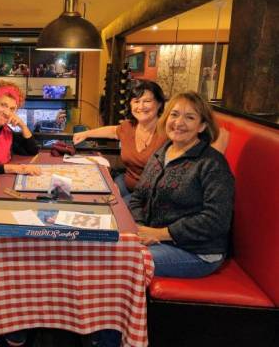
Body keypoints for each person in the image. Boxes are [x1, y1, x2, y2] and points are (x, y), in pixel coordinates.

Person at [130, 91, 234, 278]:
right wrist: (139, 227)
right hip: (159, 239)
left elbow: (216, 220)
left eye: (190, 117)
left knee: (124, 259)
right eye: (175, 114)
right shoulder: (163, 151)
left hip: (197, 252)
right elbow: (138, 195)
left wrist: (162, 233)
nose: (179, 123)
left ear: (202, 126)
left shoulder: (212, 164)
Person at [73, 79, 166, 204]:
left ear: (159, 104)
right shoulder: (129, 126)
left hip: (151, 196)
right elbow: (113, 130)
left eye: (147, 101)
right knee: (95, 197)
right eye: (136, 101)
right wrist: (86, 133)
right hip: (127, 184)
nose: (141, 106)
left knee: (114, 210)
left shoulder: (168, 131)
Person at [0, 80, 41, 188]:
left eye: (12, 109)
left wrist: (22, 126)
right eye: (3, 105)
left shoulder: (6, 130)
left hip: (2, 181)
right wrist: (15, 168)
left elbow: (32, 150)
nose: (7, 113)